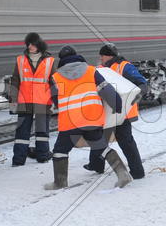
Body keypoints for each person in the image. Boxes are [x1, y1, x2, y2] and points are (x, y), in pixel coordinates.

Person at [45, 45, 132, 190]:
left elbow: (55, 101)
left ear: (61, 60)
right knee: (101, 147)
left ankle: (60, 182)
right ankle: (123, 174)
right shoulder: (91, 71)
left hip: (71, 121)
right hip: (92, 118)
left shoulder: (55, 77)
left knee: (60, 150)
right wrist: (116, 104)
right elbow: (106, 89)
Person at [85, 43, 148, 180]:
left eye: (102, 55)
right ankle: (96, 165)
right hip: (107, 110)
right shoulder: (100, 68)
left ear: (109, 56)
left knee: (125, 141)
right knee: (100, 139)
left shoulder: (124, 66)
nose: (100, 58)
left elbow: (141, 82)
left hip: (123, 112)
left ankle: (137, 172)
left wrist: (140, 94)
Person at [9, 32, 55, 166]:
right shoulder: (20, 60)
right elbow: (15, 81)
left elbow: (55, 82)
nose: (30, 47)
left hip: (43, 100)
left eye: (33, 44)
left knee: (42, 132)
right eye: (28, 44)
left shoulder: (49, 61)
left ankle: (43, 155)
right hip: (25, 101)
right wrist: (12, 100)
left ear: (39, 44)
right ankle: (18, 159)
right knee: (22, 133)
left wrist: (56, 100)